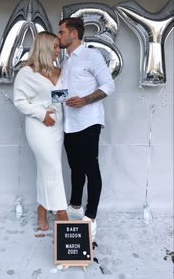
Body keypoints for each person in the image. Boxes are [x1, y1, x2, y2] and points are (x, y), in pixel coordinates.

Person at [58, 17, 115, 241]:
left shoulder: (92, 56)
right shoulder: (65, 62)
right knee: (75, 167)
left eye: (62, 32)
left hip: (89, 121)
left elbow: (109, 85)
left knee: (91, 168)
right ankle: (75, 206)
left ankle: (90, 218)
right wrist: (44, 100)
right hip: (69, 124)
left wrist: (86, 100)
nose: (59, 36)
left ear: (74, 34)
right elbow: (62, 94)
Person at [13, 31, 68, 231]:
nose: (57, 50)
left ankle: (42, 209)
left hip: (57, 128)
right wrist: (41, 113)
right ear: (44, 48)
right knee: (53, 167)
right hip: (39, 128)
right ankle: (61, 212)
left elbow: (58, 98)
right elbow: (19, 101)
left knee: (46, 170)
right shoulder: (27, 73)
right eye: (54, 47)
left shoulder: (59, 71)